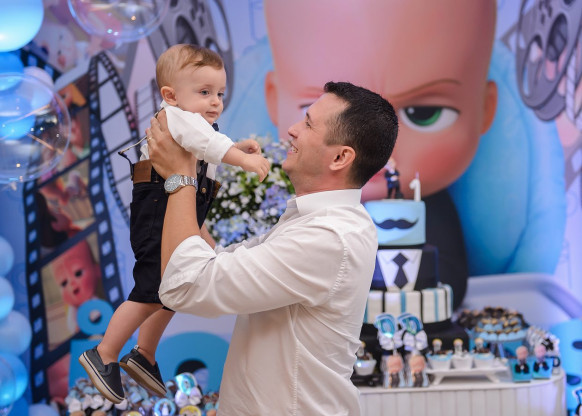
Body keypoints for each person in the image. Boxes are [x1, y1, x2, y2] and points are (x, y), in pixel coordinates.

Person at [148, 81, 398, 415]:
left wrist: (180, 175)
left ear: (340, 157)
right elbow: (213, 262)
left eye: (308, 123)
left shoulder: (328, 237)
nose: (292, 130)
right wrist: (192, 170)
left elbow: (186, 285)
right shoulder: (320, 223)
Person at [80, 44, 268, 404]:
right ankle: (104, 352)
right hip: (159, 205)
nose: (215, 102)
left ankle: (145, 353)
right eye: (204, 92)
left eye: (219, 93)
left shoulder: (197, 126)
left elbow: (209, 151)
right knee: (151, 286)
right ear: (170, 96)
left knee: (175, 284)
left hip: (182, 207)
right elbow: (209, 145)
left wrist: (234, 151)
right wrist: (243, 160)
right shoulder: (175, 118)